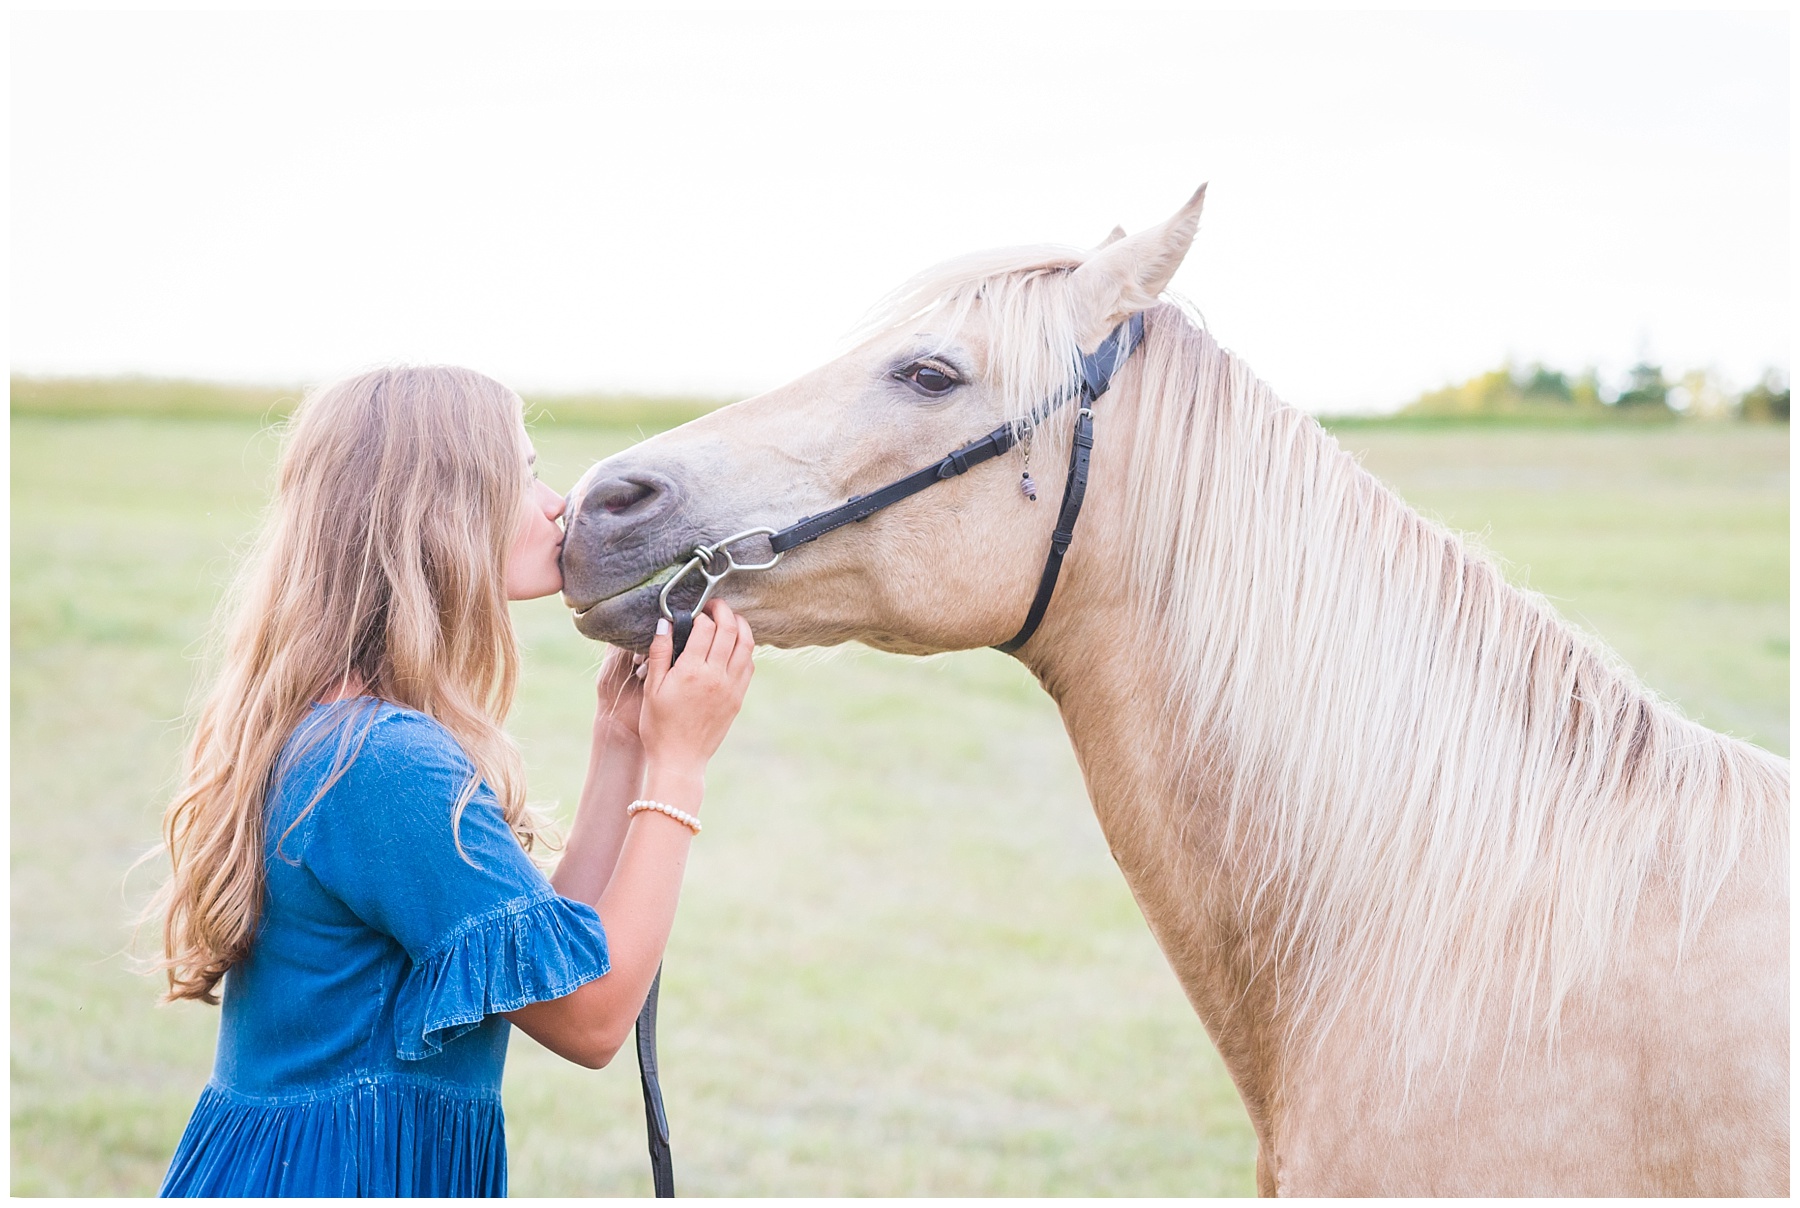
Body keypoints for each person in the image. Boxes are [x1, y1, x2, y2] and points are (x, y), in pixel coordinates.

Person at [149, 365, 752, 1196]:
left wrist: (622, 743)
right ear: (439, 513)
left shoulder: (345, 730)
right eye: (525, 473)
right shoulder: (381, 763)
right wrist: (680, 766)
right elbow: (591, 1018)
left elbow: (546, 962)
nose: (555, 504)